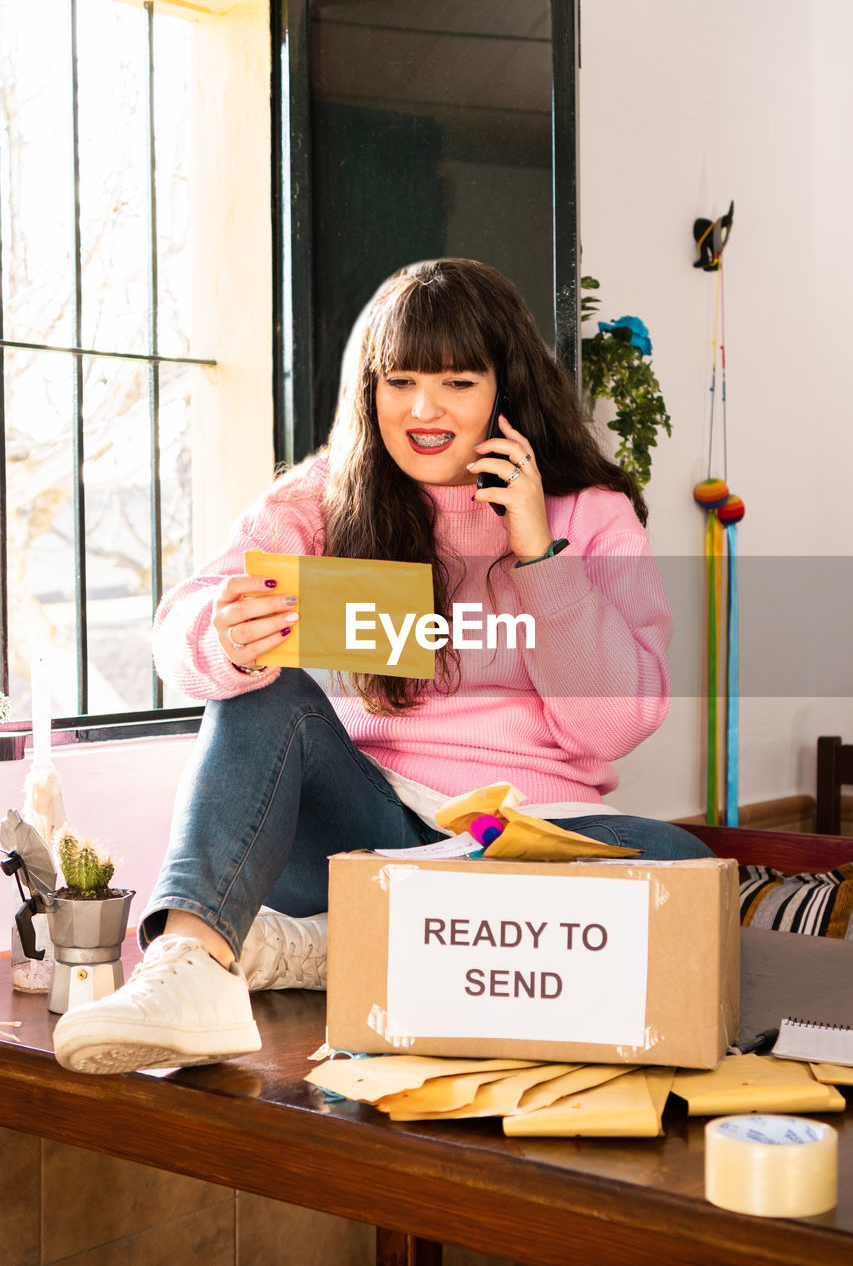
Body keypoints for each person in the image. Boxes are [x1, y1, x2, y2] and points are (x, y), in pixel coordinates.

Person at [52, 258, 711, 1075]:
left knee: (683, 863)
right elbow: (178, 640)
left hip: (522, 835)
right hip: (364, 824)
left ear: (507, 392)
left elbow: (612, 727)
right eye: (398, 381)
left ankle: (340, 942)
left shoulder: (593, 514)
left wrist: (539, 553)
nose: (422, 410)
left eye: (456, 383)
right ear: (370, 391)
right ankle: (187, 968)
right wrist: (220, 639)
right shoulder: (323, 500)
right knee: (264, 694)